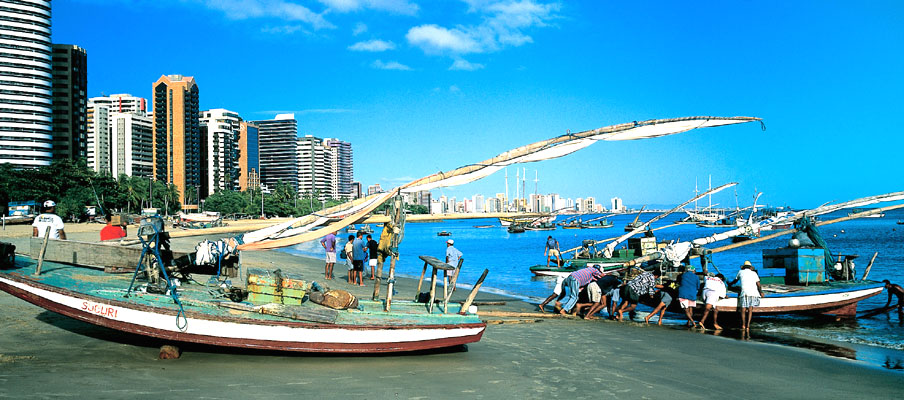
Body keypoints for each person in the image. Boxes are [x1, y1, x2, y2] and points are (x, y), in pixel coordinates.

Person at [729, 261, 764, 332]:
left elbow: (735, 281)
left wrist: (729, 284)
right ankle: (748, 326)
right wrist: (761, 292)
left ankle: (743, 325)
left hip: (744, 293)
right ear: (750, 267)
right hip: (753, 293)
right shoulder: (754, 273)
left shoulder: (740, 272)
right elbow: (758, 284)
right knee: (750, 309)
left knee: (743, 310)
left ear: (743, 267)